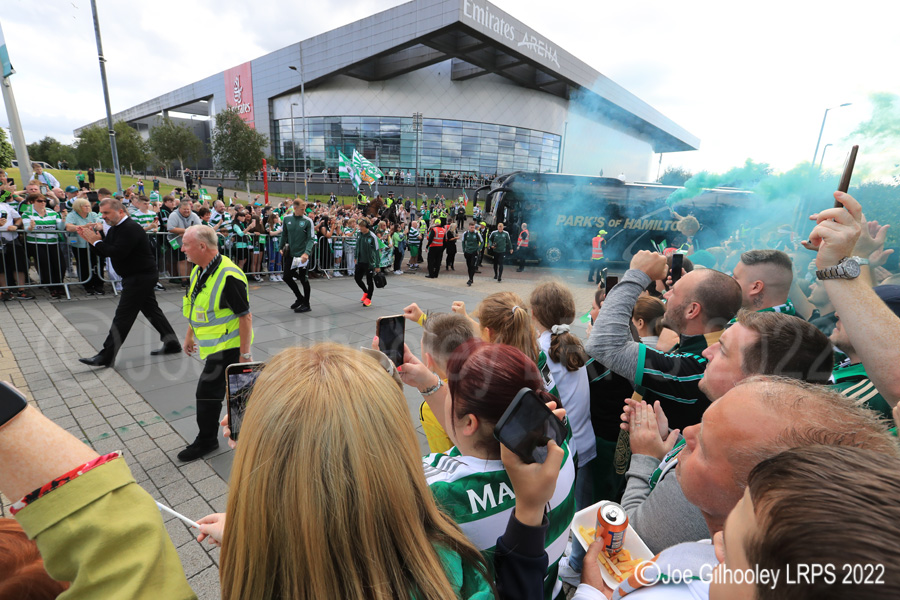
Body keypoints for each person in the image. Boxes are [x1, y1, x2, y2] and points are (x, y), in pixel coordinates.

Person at [619, 312, 834, 555]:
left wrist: (644, 457)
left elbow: (627, 542)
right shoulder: (772, 441)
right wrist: (669, 446)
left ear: (757, 384)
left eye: (722, 349)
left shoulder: (722, 469)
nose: (705, 353)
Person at [425, 339, 575, 600]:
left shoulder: (441, 494)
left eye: (447, 387)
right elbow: (466, 432)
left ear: (470, 422)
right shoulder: (560, 454)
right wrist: (427, 383)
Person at [585, 250, 743, 429]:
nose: (665, 296)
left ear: (692, 310)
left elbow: (605, 346)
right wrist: (685, 289)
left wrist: (638, 273)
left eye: (673, 292)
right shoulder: (706, 343)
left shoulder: (700, 364)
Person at [178, 225, 253, 461]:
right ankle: (244, 434)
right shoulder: (200, 270)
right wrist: (189, 335)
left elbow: (245, 316)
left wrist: (245, 354)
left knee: (209, 393)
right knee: (238, 391)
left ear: (202, 246)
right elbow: (197, 306)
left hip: (228, 347)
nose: (182, 249)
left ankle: (208, 440)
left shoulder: (228, 275)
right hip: (216, 347)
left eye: (186, 244)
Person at [76, 198, 180, 368]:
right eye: (102, 213)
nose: (104, 216)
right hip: (136, 276)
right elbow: (105, 251)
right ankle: (172, 343)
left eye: (107, 213)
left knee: (123, 316)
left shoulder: (130, 228)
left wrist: (96, 241)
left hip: (140, 277)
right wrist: (93, 240)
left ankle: (106, 356)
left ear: (121, 211)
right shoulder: (117, 228)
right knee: (152, 311)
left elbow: (117, 252)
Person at [22, 193, 65, 298]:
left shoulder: (52, 212)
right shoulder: (27, 213)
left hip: (52, 242)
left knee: (60, 264)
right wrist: (30, 227)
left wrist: (63, 219)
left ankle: (59, 284)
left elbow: (60, 227)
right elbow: (27, 228)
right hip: (36, 243)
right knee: (45, 265)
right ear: (32, 202)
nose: (43, 203)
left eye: (44, 201)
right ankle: (52, 287)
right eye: (39, 201)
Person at [731, 249, 796, 314]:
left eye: (735, 277)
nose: (730, 279)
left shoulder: (746, 324)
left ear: (756, 287)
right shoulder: (793, 319)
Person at [64, 197, 105, 295]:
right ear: (78, 207)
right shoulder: (72, 215)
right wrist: (84, 227)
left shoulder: (93, 214)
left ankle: (99, 284)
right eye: (85, 206)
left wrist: (98, 226)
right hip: (79, 244)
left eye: (88, 205)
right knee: (83, 264)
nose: (88, 207)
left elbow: (100, 223)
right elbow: (69, 227)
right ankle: (87, 285)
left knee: (97, 263)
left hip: (94, 243)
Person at [281, 199, 315, 313]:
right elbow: (284, 234)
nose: (304, 211)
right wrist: (280, 248)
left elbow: (311, 238)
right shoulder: (286, 219)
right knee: (286, 276)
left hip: (302, 255)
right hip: (290, 253)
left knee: (304, 279)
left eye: (304, 209)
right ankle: (300, 298)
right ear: (295, 208)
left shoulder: (308, 221)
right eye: (302, 209)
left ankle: (307, 304)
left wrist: (307, 253)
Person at [0, 190, 35, 301]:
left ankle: (21, 290)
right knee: (1, 268)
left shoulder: (5, 205)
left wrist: (15, 225)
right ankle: (6, 291)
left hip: (12, 239)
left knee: (19, 265)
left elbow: (19, 218)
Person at [166, 199, 201, 286]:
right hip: (176, 241)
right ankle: (184, 280)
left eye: (188, 209)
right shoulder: (174, 215)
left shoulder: (194, 215)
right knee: (182, 260)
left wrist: (186, 232)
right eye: (184, 209)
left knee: (188, 260)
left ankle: (188, 278)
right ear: (179, 209)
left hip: (189, 241)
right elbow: (171, 228)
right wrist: (186, 230)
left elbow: (199, 227)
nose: (186, 211)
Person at [354, 218, 378, 307]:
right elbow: (357, 246)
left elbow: (376, 250)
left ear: (365, 227)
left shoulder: (372, 236)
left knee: (369, 281)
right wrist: (356, 256)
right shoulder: (359, 235)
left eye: (360, 226)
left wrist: (377, 264)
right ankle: (366, 292)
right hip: (360, 261)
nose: (359, 228)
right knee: (357, 278)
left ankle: (369, 298)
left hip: (369, 262)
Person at [462, 220, 483, 287]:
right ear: (469, 227)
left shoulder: (477, 233)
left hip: (474, 252)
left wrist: (479, 249)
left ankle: (470, 279)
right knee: (468, 266)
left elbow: (482, 242)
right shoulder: (465, 233)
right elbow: (463, 242)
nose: (472, 229)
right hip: (468, 251)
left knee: (473, 265)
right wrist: (464, 250)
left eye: (473, 227)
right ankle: (471, 278)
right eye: (471, 227)